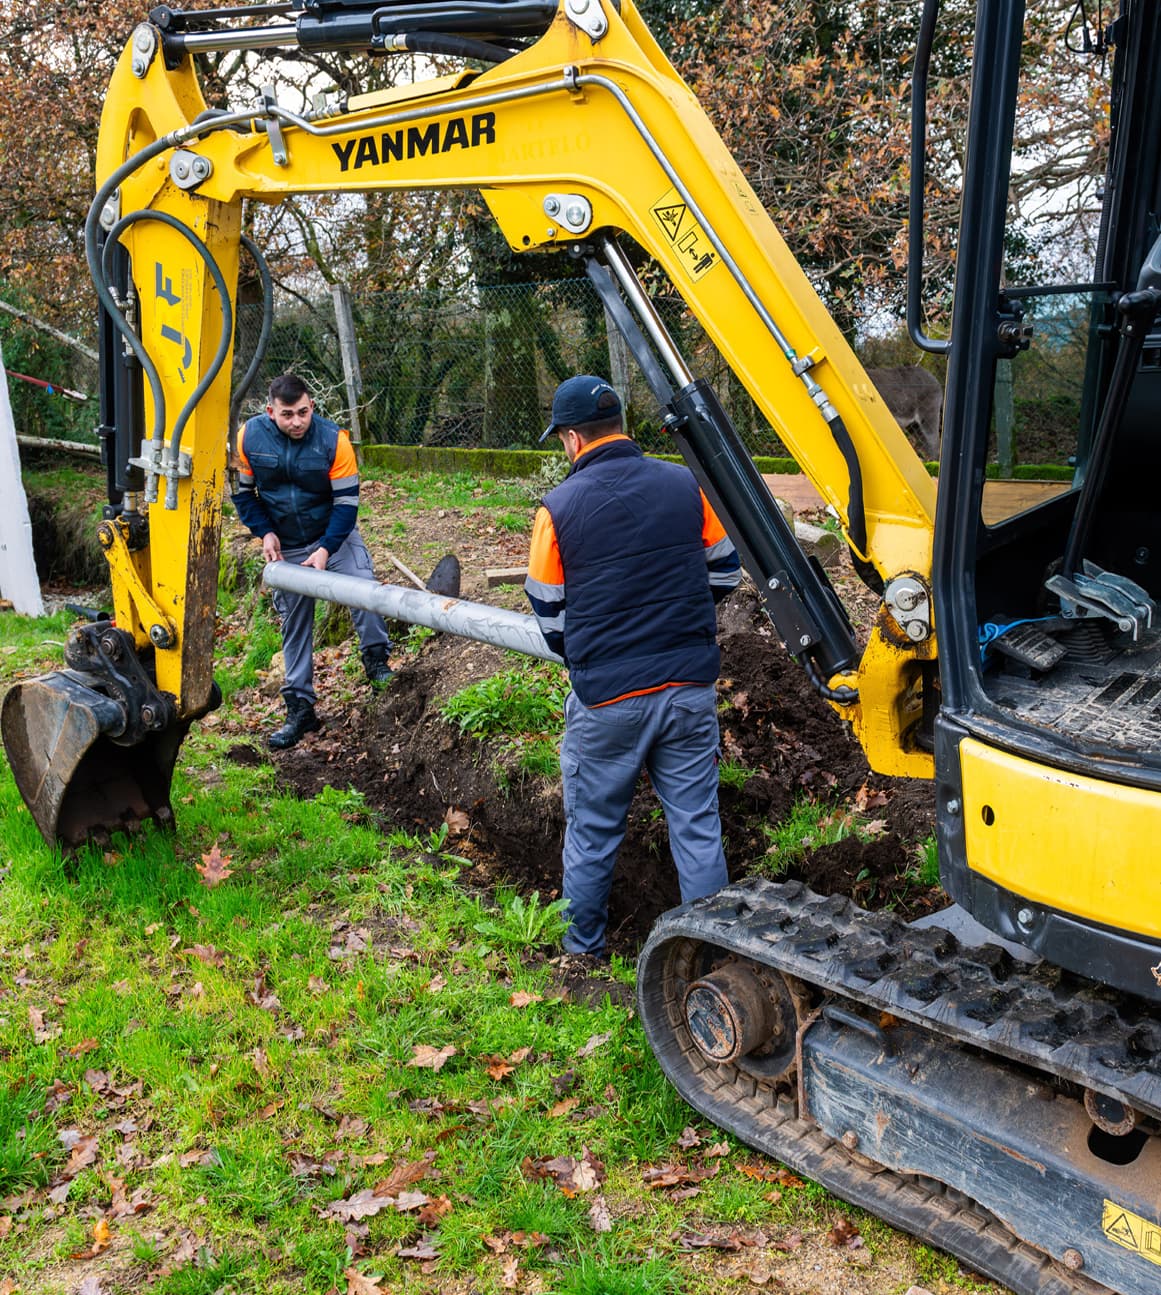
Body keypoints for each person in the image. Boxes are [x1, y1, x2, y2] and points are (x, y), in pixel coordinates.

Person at [524, 375, 742, 959]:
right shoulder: (685, 485)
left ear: (572, 439)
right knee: (697, 827)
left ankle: (583, 952)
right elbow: (725, 571)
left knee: (593, 832)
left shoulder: (557, 509)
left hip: (609, 699)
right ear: (620, 425)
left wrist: (596, 652)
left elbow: (549, 614)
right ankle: (710, 959)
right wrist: (676, 621)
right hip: (688, 688)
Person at [232, 373, 394, 750]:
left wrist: (325, 549)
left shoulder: (334, 441)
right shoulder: (248, 438)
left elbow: (347, 504)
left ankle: (377, 666)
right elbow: (243, 495)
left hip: (333, 537)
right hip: (285, 542)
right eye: (287, 414)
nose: (297, 422)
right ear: (270, 412)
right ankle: (300, 708)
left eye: (303, 412)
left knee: (365, 591)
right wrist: (264, 532)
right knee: (294, 621)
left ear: (312, 407)